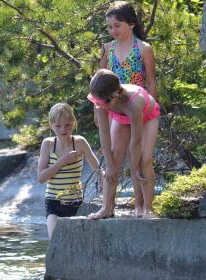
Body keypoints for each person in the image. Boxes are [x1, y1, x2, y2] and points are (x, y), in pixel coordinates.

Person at [87, 69, 159, 219]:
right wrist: (111, 165)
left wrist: (134, 167)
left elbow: (136, 140)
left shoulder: (135, 102)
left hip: (147, 116)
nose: (99, 106)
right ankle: (107, 208)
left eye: (101, 103)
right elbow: (104, 134)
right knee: (113, 158)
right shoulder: (101, 101)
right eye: (97, 102)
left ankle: (148, 209)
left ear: (114, 96)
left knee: (143, 161)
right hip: (121, 116)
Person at [37, 103, 100, 239]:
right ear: (51, 125)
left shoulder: (79, 142)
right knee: (55, 241)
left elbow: (98, 169)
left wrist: (107, 180)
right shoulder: (48, 144)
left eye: (67, 125)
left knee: (75, 243)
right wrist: (62, 162)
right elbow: (41, 178)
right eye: (58, 126)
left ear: (74, 123)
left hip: (75, 202)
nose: (63, 129)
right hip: (53, 202)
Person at [100, 1, 157, 99]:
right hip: (113, 107)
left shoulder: (144, 48)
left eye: (117, 26)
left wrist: (152, 109)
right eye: (110, 27)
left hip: (137, 107)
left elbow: (151, 82)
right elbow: (101, 81)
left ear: (131, 24)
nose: (113, 30)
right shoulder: (107, 48)